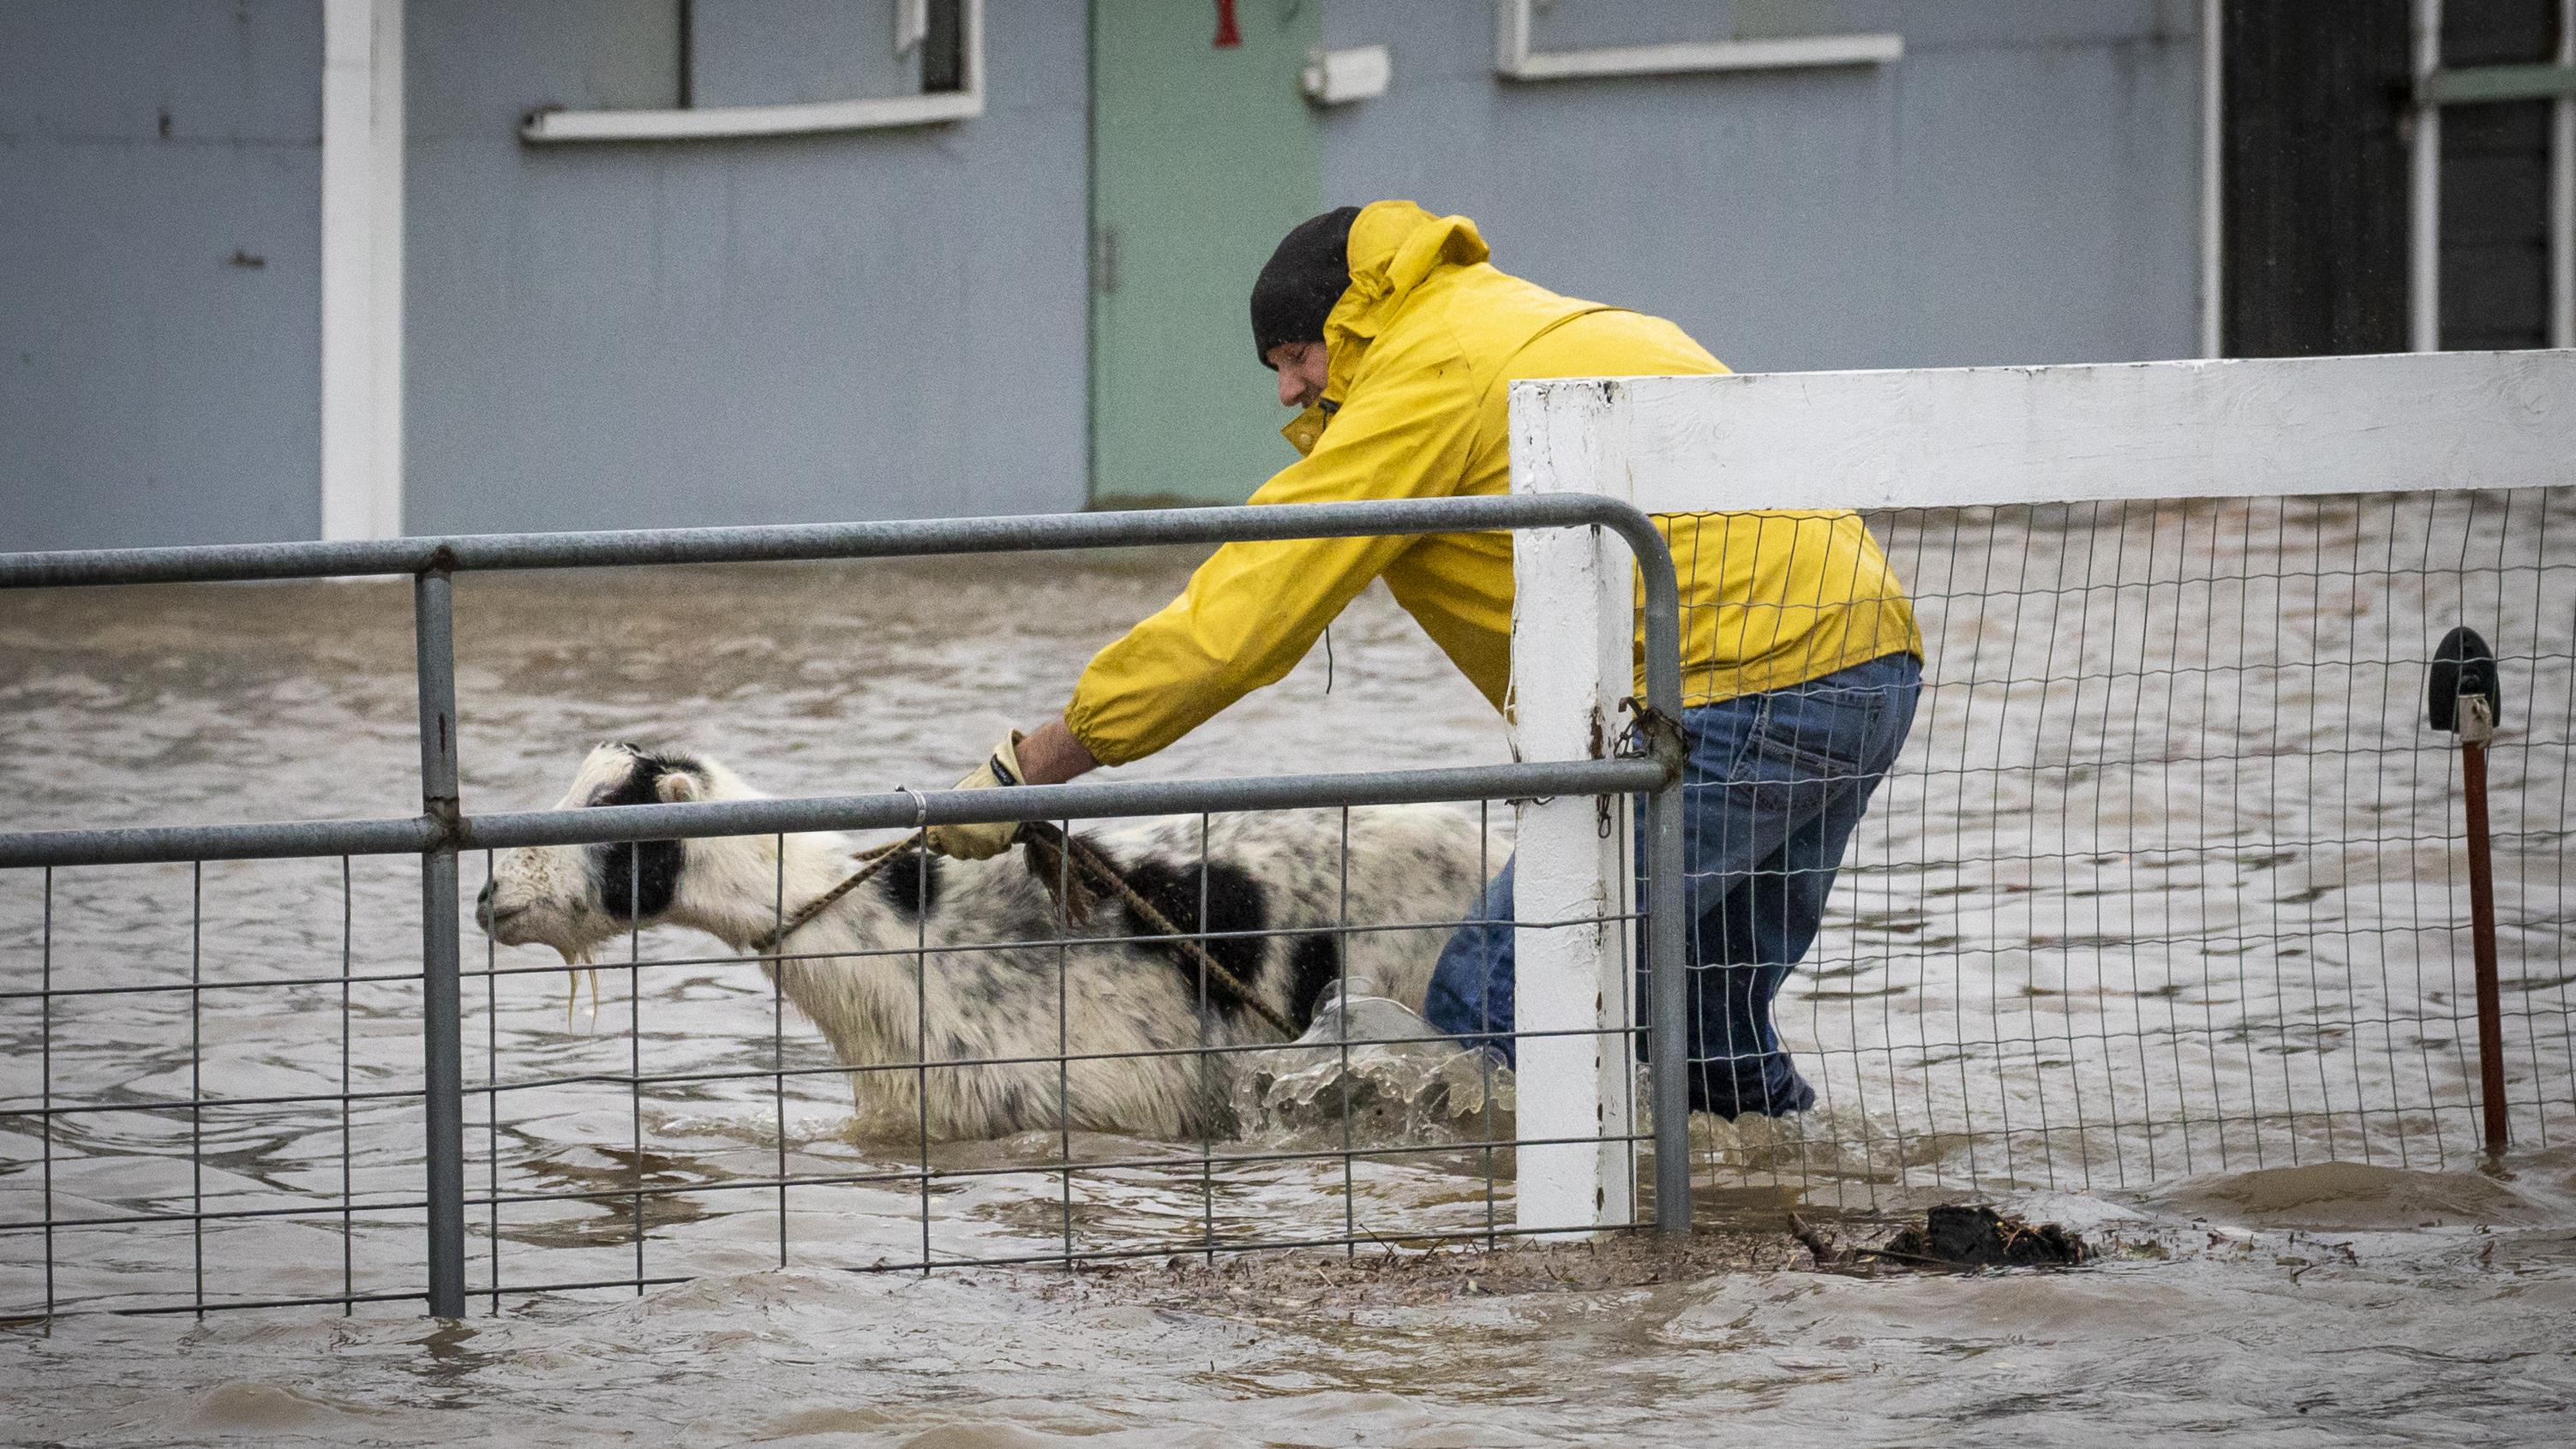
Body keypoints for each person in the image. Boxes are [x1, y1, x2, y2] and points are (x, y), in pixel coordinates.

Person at [925, 201, 1921, 1119]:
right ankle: (1784, 1231)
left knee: (1495, 990)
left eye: (1292, 353)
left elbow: (1249, 608)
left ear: (1347, 321)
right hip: (1867, 661)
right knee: (1708, 1025)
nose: (1287, 387)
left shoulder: (1424, 370)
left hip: (1742, 681)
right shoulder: (1504, 321)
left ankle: (1518, 1276)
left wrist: (1039, 763)